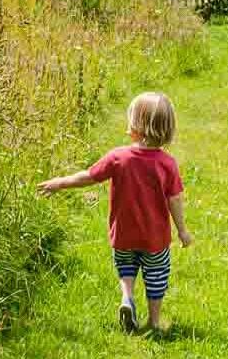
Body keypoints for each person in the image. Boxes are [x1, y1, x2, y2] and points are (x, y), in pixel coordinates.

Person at [38, 91, 194, 333]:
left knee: (126, 267)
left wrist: (60, 182)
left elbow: (89, 176)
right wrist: (182, 230)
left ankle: (127, 298)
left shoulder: (118, 157)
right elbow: (175, 199)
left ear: (136, 126)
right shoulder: (167, 164)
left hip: (123, 235)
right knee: (156, 275)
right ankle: (153, 322)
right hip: (154, 239)